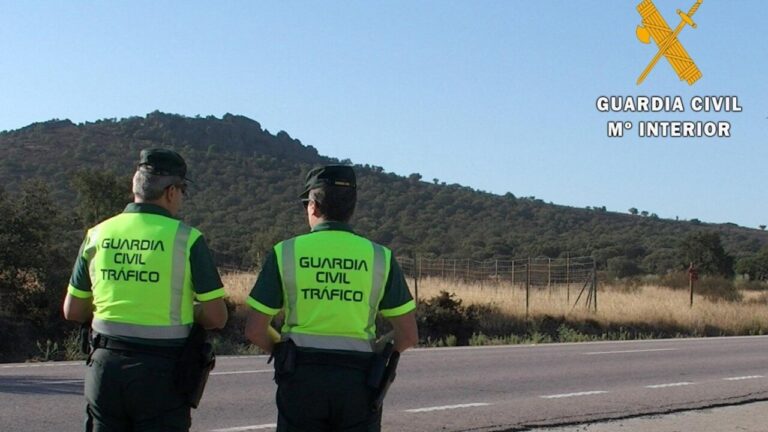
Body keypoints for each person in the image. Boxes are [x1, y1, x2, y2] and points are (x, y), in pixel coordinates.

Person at [62, 148, 228, 432]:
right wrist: (184, 308)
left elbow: (72, 310)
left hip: (105, 368)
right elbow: (216, 317)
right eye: (183, 191)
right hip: (162, 374)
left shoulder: (98, 233)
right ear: (172, 192)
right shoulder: (187, 239)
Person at [245, 164, 419, 432]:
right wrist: (377, 350)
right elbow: (407, 335)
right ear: (352, 208)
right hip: (360, 383)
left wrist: (283, 350)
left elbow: (255, 330)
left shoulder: (285, 252)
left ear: (312, 205)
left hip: (301, 379)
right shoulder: (379, 257)